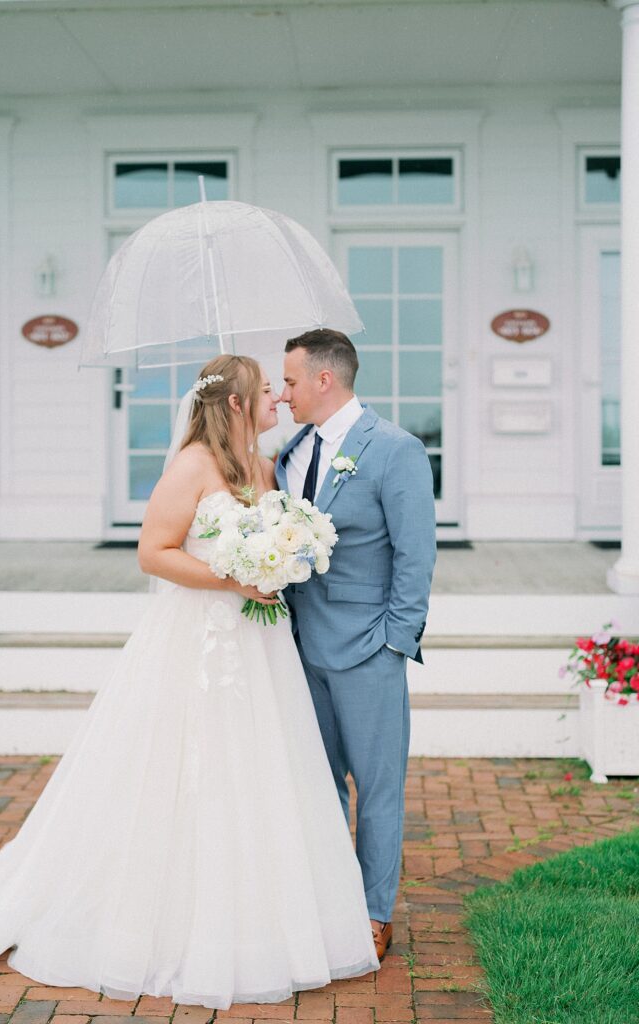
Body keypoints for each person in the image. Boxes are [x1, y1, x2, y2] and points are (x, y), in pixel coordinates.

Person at [0, 354, 379, 1011]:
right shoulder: (193, 465)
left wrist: (281, 562)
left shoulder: (267, 467)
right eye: (266, 390)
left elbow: (277, 542)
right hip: (200, 639)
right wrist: (232, 578)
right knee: (186, 770)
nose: (276, 398)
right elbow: (154, 551)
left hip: (262, 644)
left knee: (262, 768)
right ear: (236, 402)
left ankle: (268, 925)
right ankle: (166, 926)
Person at [276, 329, 437, 961]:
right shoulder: (292, 451)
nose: (282, 394)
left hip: (368, 647)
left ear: (324, 379)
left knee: (377, 788)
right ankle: (324, 900)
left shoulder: (395, 449)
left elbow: (415, 555)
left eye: (290, 381)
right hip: (299, 645)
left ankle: (373, 911)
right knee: (317, 784)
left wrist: (395, 640)